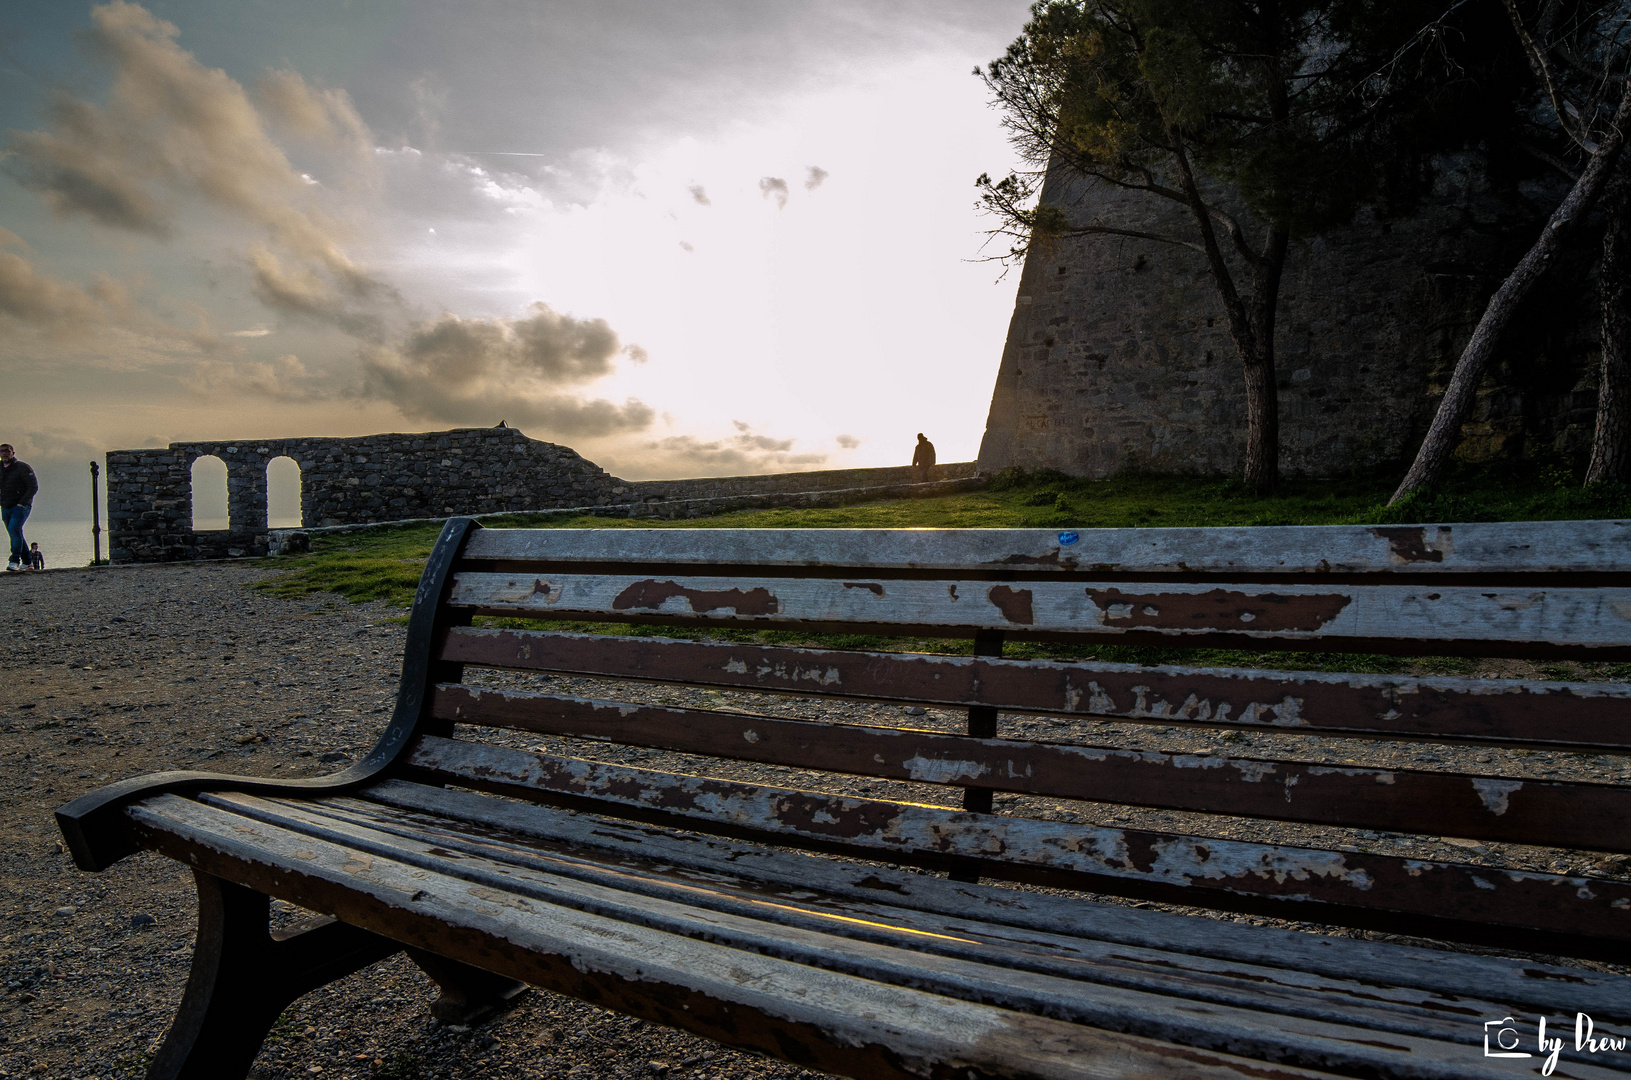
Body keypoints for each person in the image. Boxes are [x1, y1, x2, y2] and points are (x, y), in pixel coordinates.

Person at [0, 443, 38, 572]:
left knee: (14, 529)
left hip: (20, 507)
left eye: (7, 451)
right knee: (15, 533)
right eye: (1, 451)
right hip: (5, 506)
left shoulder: (22, 468)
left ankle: (14, 561)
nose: (4, 453)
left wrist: (22, 503)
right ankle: (27, 562)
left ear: (13, 453)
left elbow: (33, 486)